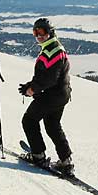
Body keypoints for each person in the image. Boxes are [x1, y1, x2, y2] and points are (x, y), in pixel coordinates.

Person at [18, 18, 74, 175]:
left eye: (41, 32)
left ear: (50, 32)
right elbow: (47, 75)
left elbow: (50, 79)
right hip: (62, 94)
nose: (38, 36)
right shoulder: (55, 47)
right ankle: (66, 161)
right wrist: (31, 85)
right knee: (52, 125)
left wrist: (33, 89)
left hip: (51, 95)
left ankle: (38, 155)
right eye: (35, 32)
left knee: (29, 120)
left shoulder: (51, 51)